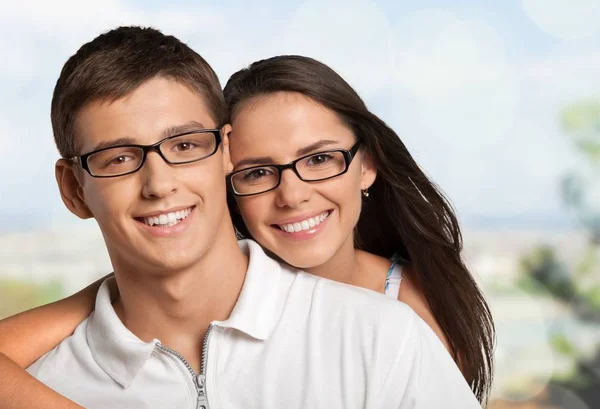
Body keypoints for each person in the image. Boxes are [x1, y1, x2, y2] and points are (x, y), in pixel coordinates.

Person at [0, 26, 482, 409]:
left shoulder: (384, 340)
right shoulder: (44, 381)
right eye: (119, 159)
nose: (159, 183)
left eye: (185, 145)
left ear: (225, 151)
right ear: (73, 189)